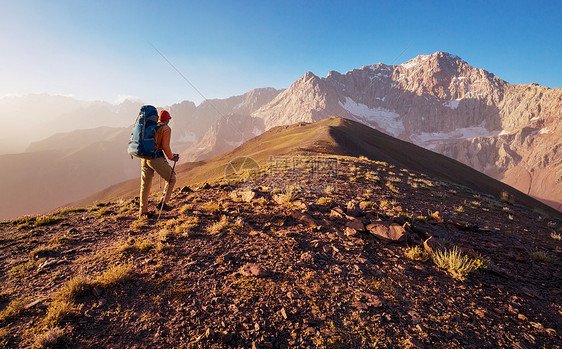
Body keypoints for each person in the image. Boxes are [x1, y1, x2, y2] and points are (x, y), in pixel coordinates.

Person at [139, 110, 180, 217]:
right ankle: (163, 203)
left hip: (144, 157)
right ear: (167, 119)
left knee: (145, 185)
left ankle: (143, 212)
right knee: (172, 179)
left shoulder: (152, 127)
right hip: (155, 158)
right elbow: (165, 146)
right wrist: (171, 157)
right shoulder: (165, 128)